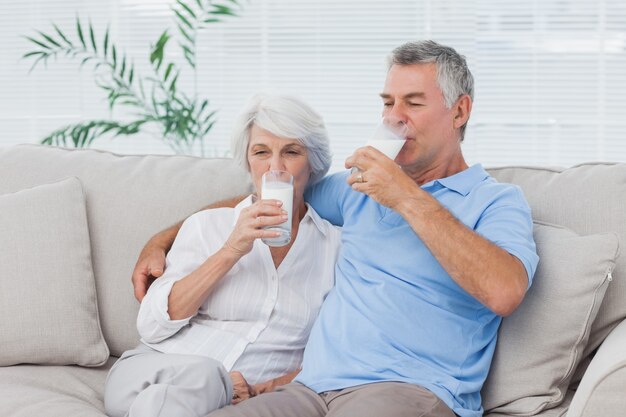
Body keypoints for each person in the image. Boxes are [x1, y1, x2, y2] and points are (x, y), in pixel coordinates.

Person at [132, 40, 539, 417]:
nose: (394, 118)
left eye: (413, 103)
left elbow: (504, 291)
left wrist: (406, 196)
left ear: (460, 111)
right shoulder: (358, 189)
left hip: (406, 390)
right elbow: (277, 195)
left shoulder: (496, 201)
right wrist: (162, 239)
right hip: (308, 392)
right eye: (388, 103)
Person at [104, 94, 341, 417]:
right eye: (261, 153)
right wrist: (230, 251)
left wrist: (268, 388)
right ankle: (213, 385)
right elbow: (151, 327)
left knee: (162, 404)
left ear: (313, 162)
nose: (275, 167)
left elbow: (339, 350)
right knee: (195, 378)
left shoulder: (334, 248)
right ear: (247, 162)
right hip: (151, 371)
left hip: (235, 400)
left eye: (291, 152)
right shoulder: (209, 226)